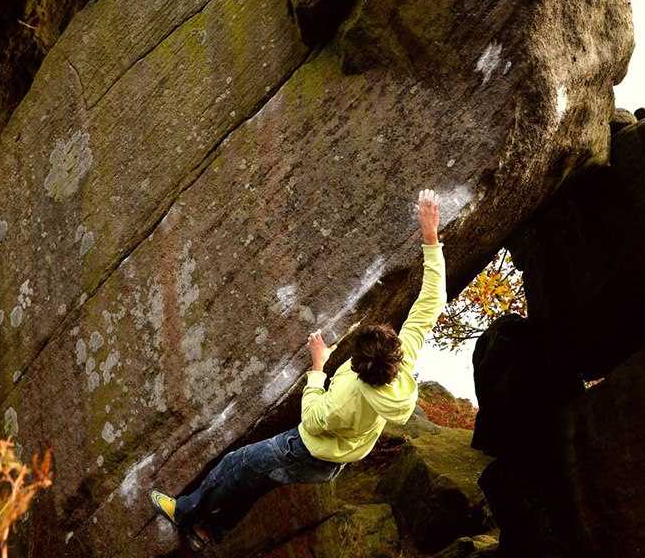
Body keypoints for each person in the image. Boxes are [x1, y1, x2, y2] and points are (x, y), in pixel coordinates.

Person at [150, 188, 448, 551]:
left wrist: (319, 369)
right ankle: (212, 533)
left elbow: (312, 418)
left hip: (305, 449)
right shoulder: (402, 365)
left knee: (237, 464)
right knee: (260, 480)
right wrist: (430, 237)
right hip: (337, 460)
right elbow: (431, 302)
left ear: (359, 367)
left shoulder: (347, 396)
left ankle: (183, 512)